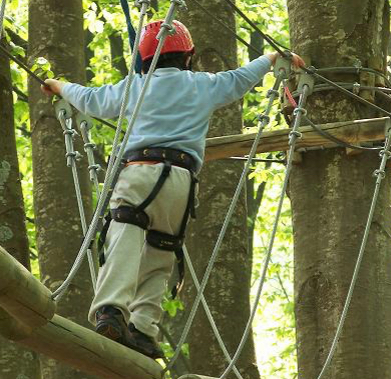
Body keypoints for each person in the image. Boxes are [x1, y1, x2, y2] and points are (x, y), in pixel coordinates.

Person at [41, 19, 304, 359]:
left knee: (124, 235)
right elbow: (239, 79)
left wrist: (59, 86)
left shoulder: (133, 87)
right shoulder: (202, 85)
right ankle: (143, 328)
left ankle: (111, 311)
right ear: (187, 57)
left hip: (139, 172)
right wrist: (268, 59)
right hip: (180, 182)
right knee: (162, 251)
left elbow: (90, 99)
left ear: (143, 60)